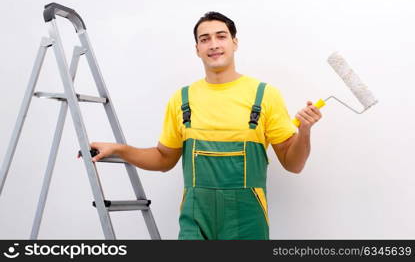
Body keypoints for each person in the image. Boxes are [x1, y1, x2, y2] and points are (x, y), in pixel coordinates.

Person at [86, 12, 322, 240]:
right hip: (196, 219)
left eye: (221, 36)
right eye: (204, 39)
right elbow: (163, 158)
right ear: (197, 49)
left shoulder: (265, 95)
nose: (213, 44)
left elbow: (293, 164)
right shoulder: (182, 99)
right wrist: (119, 150)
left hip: (247, 221)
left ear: (234, 43)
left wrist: (305, 131)